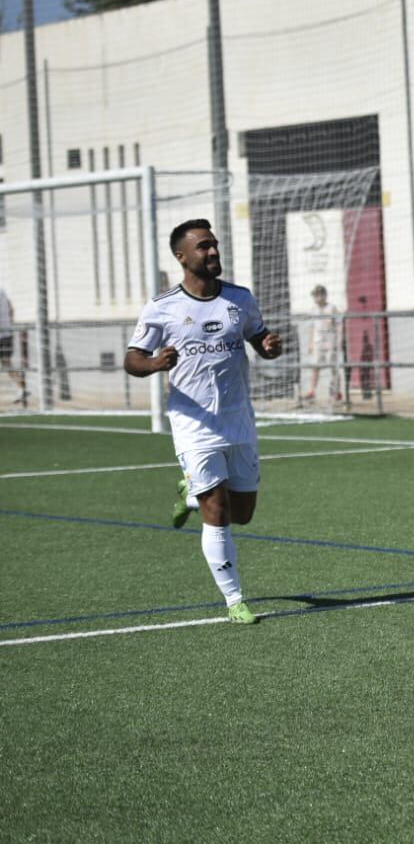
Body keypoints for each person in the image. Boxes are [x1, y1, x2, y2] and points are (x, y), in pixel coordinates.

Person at [123, 219, 283, 624]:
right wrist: (155, 363)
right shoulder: (163, 308)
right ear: (182, 257)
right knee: (218, 510)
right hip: (193, 422)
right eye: (203, 247)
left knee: (242, 512)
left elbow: (259, 339)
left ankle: (189, 493)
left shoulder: (240, 298)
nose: (213, 252)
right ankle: (234, 600)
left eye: (214, 245)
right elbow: (132, 359)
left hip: (238, 420)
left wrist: (268, 346)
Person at [301, 284, 342, 404]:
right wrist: (310, 343)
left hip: (330, 340)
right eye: (315, 296)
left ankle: (336, 392)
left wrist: (338, 340)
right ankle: (312, 391)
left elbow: (339, 324)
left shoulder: (332, 308)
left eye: (318, 295)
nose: (316, 298)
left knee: (333, 367)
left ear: (324, 295)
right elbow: (311, 327)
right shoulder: (313, 310)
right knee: (315, 366)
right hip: (318, 341)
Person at [0, 287, 25, 405]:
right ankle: (21, 389)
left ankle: (21, 389)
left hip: (4, 333)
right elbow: (11, 309)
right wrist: (10, 324)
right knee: (7, 363)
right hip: (7, 334)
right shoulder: (3, 292)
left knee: (7, 364)